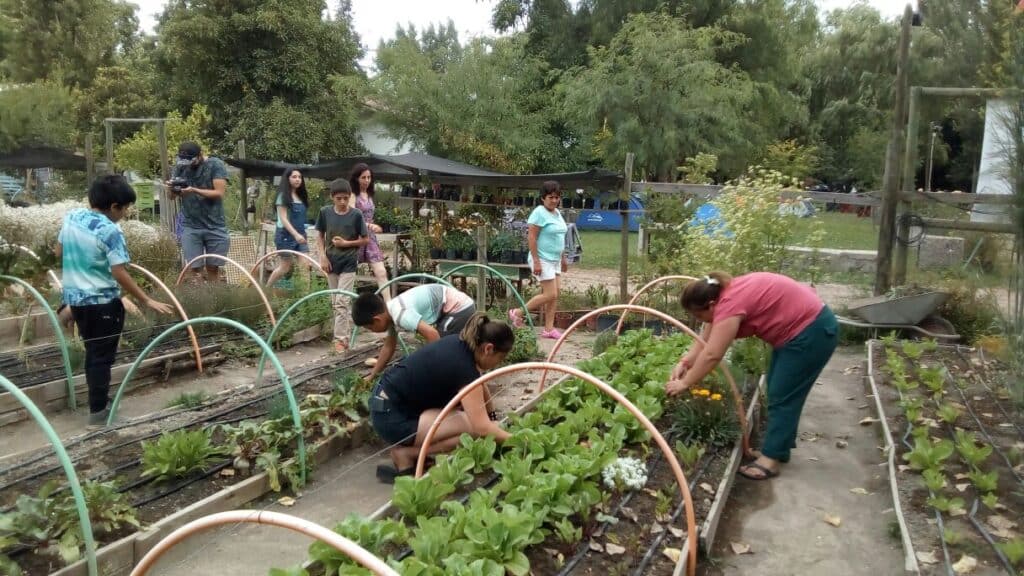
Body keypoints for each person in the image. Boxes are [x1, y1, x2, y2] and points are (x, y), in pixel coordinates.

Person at [666, 272, 839, 480]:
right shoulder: (724, 296)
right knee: (778, 390)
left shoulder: (729, 305)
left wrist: (685, 382)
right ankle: (779, 449)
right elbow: (705, 338)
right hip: (801, 332)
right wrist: (685, 363)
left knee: (783, 396)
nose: (698, 320)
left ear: (711, 305)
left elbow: (712, 354)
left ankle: (771, 460)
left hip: (811, 333)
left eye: (698, 315)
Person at [56, 175, 174, 427]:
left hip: (76, 300)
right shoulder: (110, 230)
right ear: (113, 207)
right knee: (101, 357)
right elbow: (119, 271)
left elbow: (59, 252)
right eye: (125, 208)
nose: (126, 213)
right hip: (102, 303)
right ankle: (99, 413)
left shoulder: (72, 218)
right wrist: (147, 300)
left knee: (93, 352)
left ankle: (100, 402)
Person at [368, 312, 511, 483]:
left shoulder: (460, 345)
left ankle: (414, 450)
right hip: (393, 419)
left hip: (386, 405)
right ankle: (406, 454)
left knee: (473, 419)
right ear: (488, 349)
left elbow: (478, 383)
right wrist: (518, 440)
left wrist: (493, 417)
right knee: (473, 430)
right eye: (501, 358)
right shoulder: (463, 367)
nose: (499, 363)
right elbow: (482, 427)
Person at [352, 283, 476, 379]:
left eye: (370, 328)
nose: (373, 331)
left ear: (377, 320)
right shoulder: (391, 311)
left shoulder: (401, 314)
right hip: (453, 308)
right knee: (450, 353)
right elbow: (389, 347)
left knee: (446, 354)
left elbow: (433, 335)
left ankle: (457, 387)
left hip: (459, 309)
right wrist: (372, 375)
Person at [509, 181, 568, 339]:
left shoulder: (557, 213)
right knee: (550, 294)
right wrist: (536, 261)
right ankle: (517, 313)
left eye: (557, 197)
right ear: (543, 198)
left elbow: (559, 237)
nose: (554, 200)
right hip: (542, 258)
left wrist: (563, 258)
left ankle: (549, 329)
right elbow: (532, 237)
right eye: (551, 197)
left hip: (555, 259)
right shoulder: (539, 212)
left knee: (555, 294)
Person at [316, 179, 368, 353]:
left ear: (350, 197)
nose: (343, 202)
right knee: (336, 302)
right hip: (331, 262)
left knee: (342, 301)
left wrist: (346, 243)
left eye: (346, 198)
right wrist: (322, 257)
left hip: (348, 262)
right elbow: (319, 236)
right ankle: (343, 336)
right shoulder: (325, 213)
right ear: (332, 197)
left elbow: (365, 239)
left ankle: (340, 340)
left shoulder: (356, 215)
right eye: (339, 198)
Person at [167, 141, 230, 282]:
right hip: (190, 225)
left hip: (215, 224)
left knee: (213, 267)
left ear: (200, 155)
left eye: (191, 160)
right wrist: (171, 189)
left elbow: (219, 193)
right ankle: (200, 300)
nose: (188, 163)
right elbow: (171, 197)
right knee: (195, 268)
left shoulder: (215, 164)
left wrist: (193, 190)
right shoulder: (180, 166)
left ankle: (216, 301)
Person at [349, 163, 390, 299]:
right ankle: (344, 304)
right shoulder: (352, 195)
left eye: (369, 177)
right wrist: (369, 225)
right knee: (348, 274)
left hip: (370, 238)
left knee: (381, 272)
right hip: (356, 237)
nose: (367, 180)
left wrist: (373, 227)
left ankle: (389, 306)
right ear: (356, 178)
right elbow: (351, 216)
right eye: (363, 177)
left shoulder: (369, 194)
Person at [265, 167, 310, 288]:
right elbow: (284, 219)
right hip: (285, 236)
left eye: (299, 177)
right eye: (294, 177)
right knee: (285, 267)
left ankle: (306, 300)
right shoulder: (282, 196)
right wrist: (295, 235)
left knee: (305, 266)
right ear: (287, 179)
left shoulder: (301, 196)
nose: (297, 179)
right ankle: (266, 290)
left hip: (301, 234)